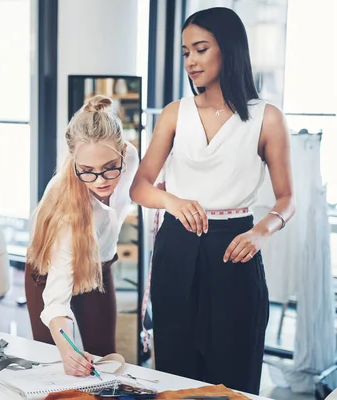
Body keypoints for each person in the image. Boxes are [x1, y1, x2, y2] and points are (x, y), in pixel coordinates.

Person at [130, 7, 295, 395]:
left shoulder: (266, 118)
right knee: (175, 371)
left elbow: (287, 199)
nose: (190, 61)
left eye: (200, 49)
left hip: (235, 250)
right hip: (177, 246)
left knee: (234, 373)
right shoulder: (174, 114)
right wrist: (171, 201)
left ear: (230, 49)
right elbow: (140, 186)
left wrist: (259, 233)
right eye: (186, 51)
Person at [25, 95, 139, 377]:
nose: (100, 181)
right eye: (87, 172)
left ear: (123, 151)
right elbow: (56, 300)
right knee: (56, 366)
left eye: (110, 167)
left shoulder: (132, 157)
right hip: (47, 272)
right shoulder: (69, 211)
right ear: (74, 161)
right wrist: (67, 349)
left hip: (100, 264)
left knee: (106, 358)